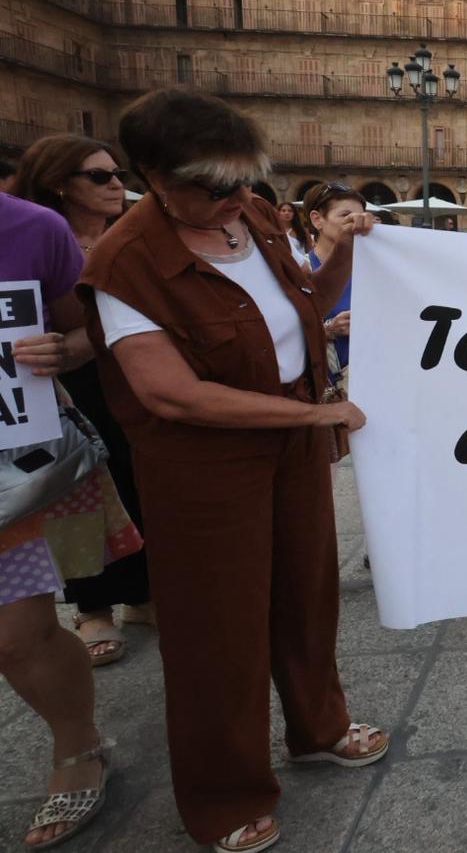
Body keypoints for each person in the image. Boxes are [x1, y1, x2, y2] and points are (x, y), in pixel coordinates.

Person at [79, 89, 387, 850]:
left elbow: (306, 301)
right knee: (218, 628)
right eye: (212, 188)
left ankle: (319, 728)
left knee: (308, 591)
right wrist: (315, 415)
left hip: (290, 441)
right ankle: (223, 795)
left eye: (244, 183)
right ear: (150, 173)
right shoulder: (125, 262)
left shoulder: (248, 216)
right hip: (203, 466)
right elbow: (170, 394)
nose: (234, 201)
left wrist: (344, 248)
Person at [2, 190, 141, 851]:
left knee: (16, 634)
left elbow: (86, 331)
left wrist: (66, 350)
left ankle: (76, 743)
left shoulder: (31, 229)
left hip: (19, 474)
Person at [13, 135, 154, 667]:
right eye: (99, 176)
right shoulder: (42, 238)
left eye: (117, 173)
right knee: (78, 489)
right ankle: (92, 605)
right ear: (59, 184)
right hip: (70, 390)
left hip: (136, 378)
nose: (117, 183)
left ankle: (142, 594)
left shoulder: (132, 239)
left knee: (136, 482)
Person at [304, 181, 363, 394]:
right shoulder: (301, 270)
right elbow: (278, 334)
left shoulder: (372, 272)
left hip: (375, 382)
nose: (356, 223)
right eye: (345, 216)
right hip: (329, 389)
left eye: (361, 216)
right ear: (317, 220)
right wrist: (329, 329)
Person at [274, 200, 310, 265]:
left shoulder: (302, 231)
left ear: (294, 214)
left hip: (303, 266)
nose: (287, 213)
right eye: (283, 210)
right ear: (278, 213)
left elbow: (310, 251)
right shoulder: (275, 232)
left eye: (290, 211)